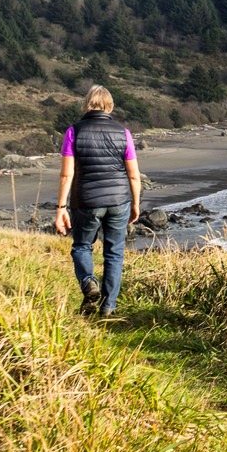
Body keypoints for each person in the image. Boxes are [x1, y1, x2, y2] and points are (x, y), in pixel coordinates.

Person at [53, 85, 141, 316]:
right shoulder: (124, 133)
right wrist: (135, 204)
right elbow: (133, 174)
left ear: (86, 104)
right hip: (118, 200)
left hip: (87, 200)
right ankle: (108, 307)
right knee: (114, 253)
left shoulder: (74, 131)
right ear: (110, 106)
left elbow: (66, 174)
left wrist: (61, 207)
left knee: (82, 246)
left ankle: (88, 282)